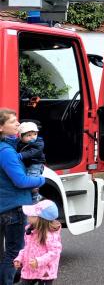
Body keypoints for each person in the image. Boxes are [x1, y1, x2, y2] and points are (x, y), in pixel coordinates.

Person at [1, 109, 45, 285]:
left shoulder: (9, 148)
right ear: (1, 128)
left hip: (5, 206)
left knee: (5, 254)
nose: (18, 124)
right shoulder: (6, 151)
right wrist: (42, 179)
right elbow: (20, 181)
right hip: (13, 208)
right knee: (14, 252)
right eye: (13, 121)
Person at [13, 200, 61, 284]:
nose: (28, 216)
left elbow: (54, 252)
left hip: (45, 272)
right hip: (30, 269)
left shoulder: (50, 235)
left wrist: (38, 261)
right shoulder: (30, 231)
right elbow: (26, 248)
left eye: (32, 215)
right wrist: (19, 258)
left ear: (40, 219)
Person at [17, 122, 45, 203]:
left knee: (31, 179)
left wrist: (21, 155)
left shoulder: (39, 143)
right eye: (29, 135)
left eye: (35, 134)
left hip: (35, 164)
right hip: (26, 164)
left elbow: (34, 152)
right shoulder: (19, 143)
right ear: (21, 137)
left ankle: (36, 198)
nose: (33, 137)